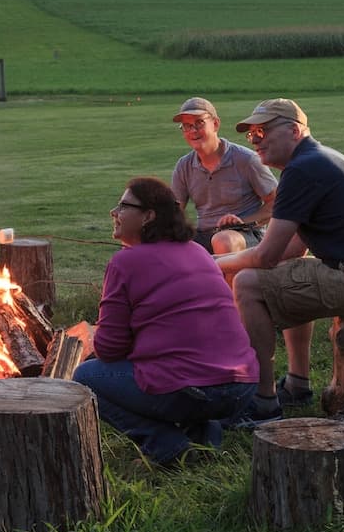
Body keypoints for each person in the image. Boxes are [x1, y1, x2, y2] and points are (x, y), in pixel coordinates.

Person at [217, 99, 344, 426]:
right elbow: (290, 253)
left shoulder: (303, 169)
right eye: (252, 133)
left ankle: (263, 403)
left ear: (294, 131)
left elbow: (265, 255)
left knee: (247, 284)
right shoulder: (314, 161)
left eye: (263, 130)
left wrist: (212, 263)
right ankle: (298, 385)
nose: (255, 138)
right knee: (287, 274)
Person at [73, 177, 259, 465]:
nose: (114, 212)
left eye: (123, 206)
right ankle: (206, 436)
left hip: (193, 389)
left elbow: (110, 350)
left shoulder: (125, 262)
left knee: (86, 377)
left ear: (148, 216)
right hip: (242, 386)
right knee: (179, 371)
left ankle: (168, 447)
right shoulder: (198, 252)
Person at [170, 97, 278, 255]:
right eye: (187, 126)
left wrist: (242, 222)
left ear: (215, 124)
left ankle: (229, 281)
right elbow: (173, 210)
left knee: (223, 240)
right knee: (165, 246)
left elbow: (276, 202)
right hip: (204, 234)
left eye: (199, 122)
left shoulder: (245, 160)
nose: (193, 130)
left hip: (245, 234)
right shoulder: (184, 166)